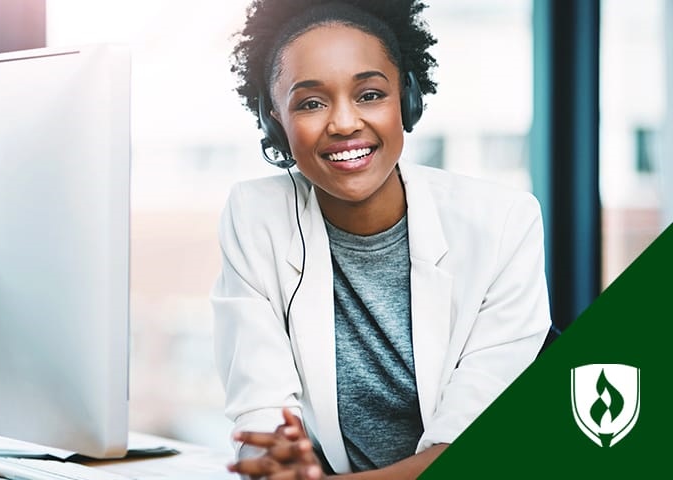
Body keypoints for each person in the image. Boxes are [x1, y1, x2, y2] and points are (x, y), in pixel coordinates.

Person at [211, 1, 552, 478]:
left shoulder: (502, 223)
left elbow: (472, 448)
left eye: (369, 94)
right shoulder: (255, 216)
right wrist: (274, 462)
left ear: (406, 99)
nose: (345, 123)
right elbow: (261, 417)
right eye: (311, 103)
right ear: (275, 120)